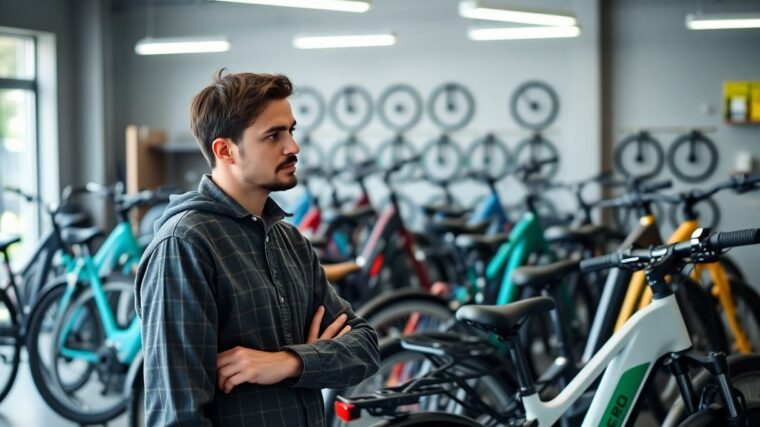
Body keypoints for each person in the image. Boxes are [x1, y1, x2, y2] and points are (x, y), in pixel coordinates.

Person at [135, 70, 379, 426]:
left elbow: (366, 347)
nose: (293, 147)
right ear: (225, 150)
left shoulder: (289, 241)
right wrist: (321, 355)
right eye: (273, 136)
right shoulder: (185, 246)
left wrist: (289, 362)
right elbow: (178, 417)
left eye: (291, 131)